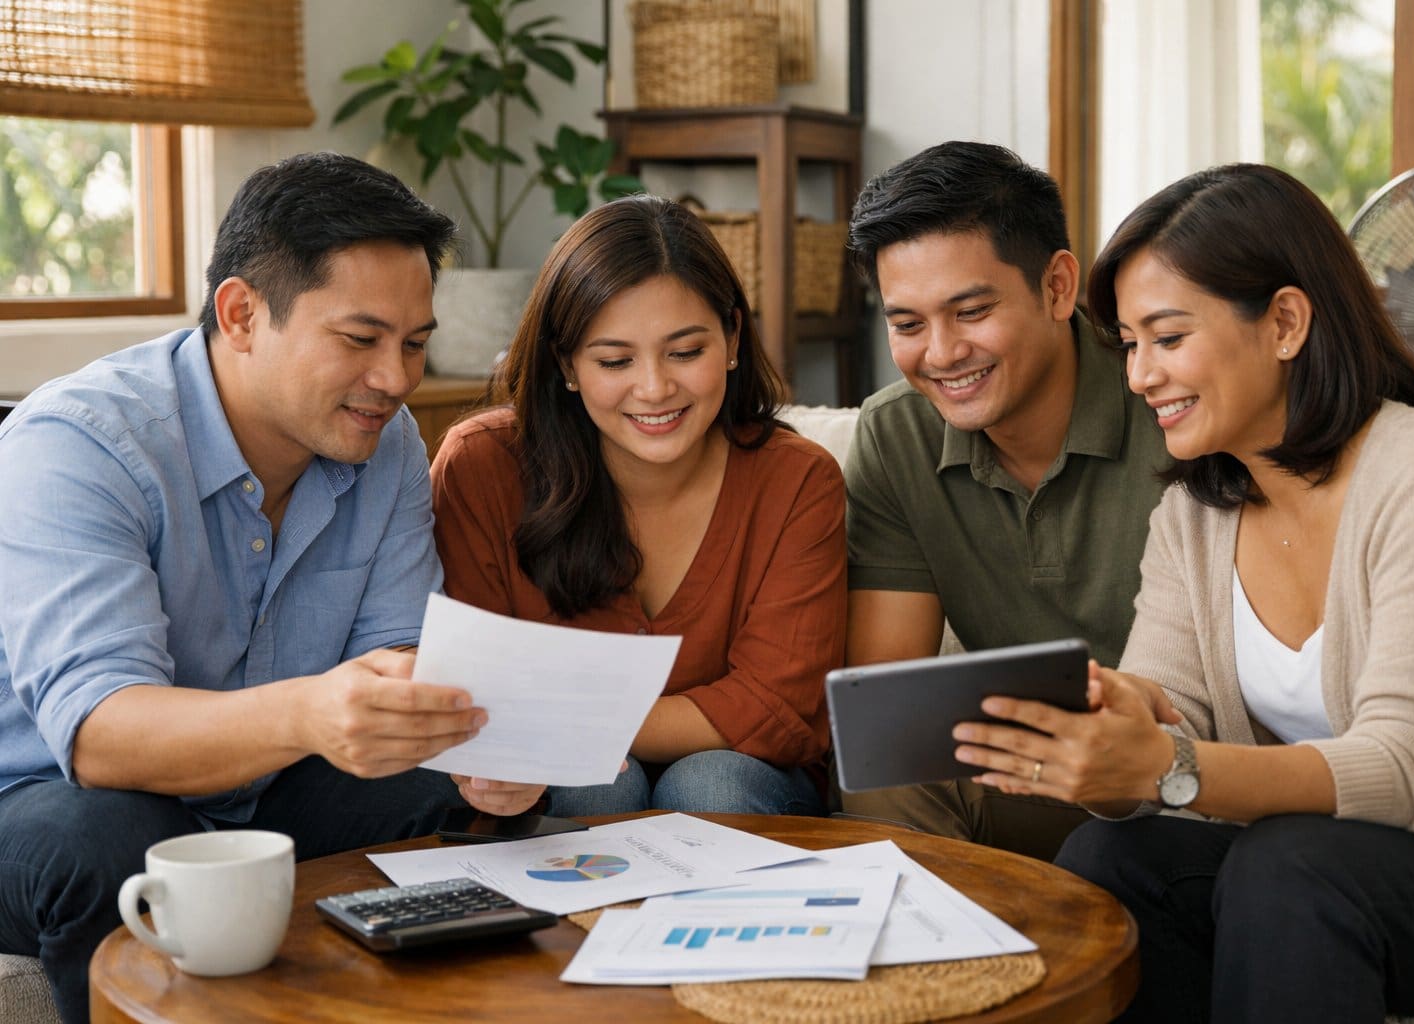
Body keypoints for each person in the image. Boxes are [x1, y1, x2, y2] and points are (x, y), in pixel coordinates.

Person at [952, 163, 1414, 1021]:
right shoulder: (1193, 514)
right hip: (1304, 871)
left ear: (1287, 323)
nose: (1140, 375)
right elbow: (1169, 717)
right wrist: (1107, 730)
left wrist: (1168, 765)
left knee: (1286, 866)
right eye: (1130, 344)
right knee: (1112, 859)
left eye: (1168, 337)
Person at [0, 152, 544, 1024]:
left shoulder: (388, 443)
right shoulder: (80, 444)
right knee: (114, 839)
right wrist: (309, 713)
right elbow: (101, 733)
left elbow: (394, 659)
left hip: (264, 785)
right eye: (361, 340)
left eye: (414, 344)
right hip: (39, 802)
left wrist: (468, 746)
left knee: (427, 791)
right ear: (242, 314)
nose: (396, 380)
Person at [431, 194, 845, 817]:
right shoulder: (483, 467)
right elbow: (473, 686)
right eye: (615, 360)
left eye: (685, 352)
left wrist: (573, 724)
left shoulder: (799, 481)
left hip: (745, 783)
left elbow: (780, 709)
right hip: (553, 785)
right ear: (567, 364)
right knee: (600, 783)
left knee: (708, 784)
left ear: (732, 339)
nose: (654, 388)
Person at [836, 141, 1171, 859]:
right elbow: (890, 704)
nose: (943, 352)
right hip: (1032, 781)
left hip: (1185, 769)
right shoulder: (896, 436)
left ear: (1057, 286)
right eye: (907, 324)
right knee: (885, 774)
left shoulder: (1169, 402)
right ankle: (944, 972)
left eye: (972, 310)